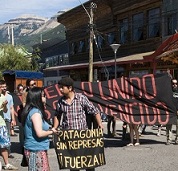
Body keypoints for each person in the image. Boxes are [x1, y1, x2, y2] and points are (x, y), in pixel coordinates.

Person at [53, 77, 103, 171]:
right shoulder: (60, 102)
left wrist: (100, 124)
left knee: (89, 163)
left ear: (70, 88)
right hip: (69, 138)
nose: (60, 90)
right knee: (73, 165)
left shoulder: (81, 98)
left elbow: (95, 111)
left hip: (83, 137)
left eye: (62, 87)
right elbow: (57, 115)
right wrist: (55, 127)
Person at [21, 87, 56, 170]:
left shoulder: (32, 110)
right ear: (37, 97)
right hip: (35, 149)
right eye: (43, 96)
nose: (45, 98)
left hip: (37, 148)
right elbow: (39, 133)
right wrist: (52, 131)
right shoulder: (36, 113)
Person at [0, 82, 18, 170]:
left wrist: (13, 119)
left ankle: (7, 163)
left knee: (4, 143)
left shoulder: (6, 97)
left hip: (3, 122)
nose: (3, 88)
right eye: (1, 87)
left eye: (4, 87)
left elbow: (8, 109)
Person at [166, 78, 178, 145]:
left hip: (177, 111)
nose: (174, 85)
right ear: (171, 84)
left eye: (176, 83)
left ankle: (177, 140)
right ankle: (169, 140)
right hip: (169, 111)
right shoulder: (168, 91)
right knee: (168, 126)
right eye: (173, 83)